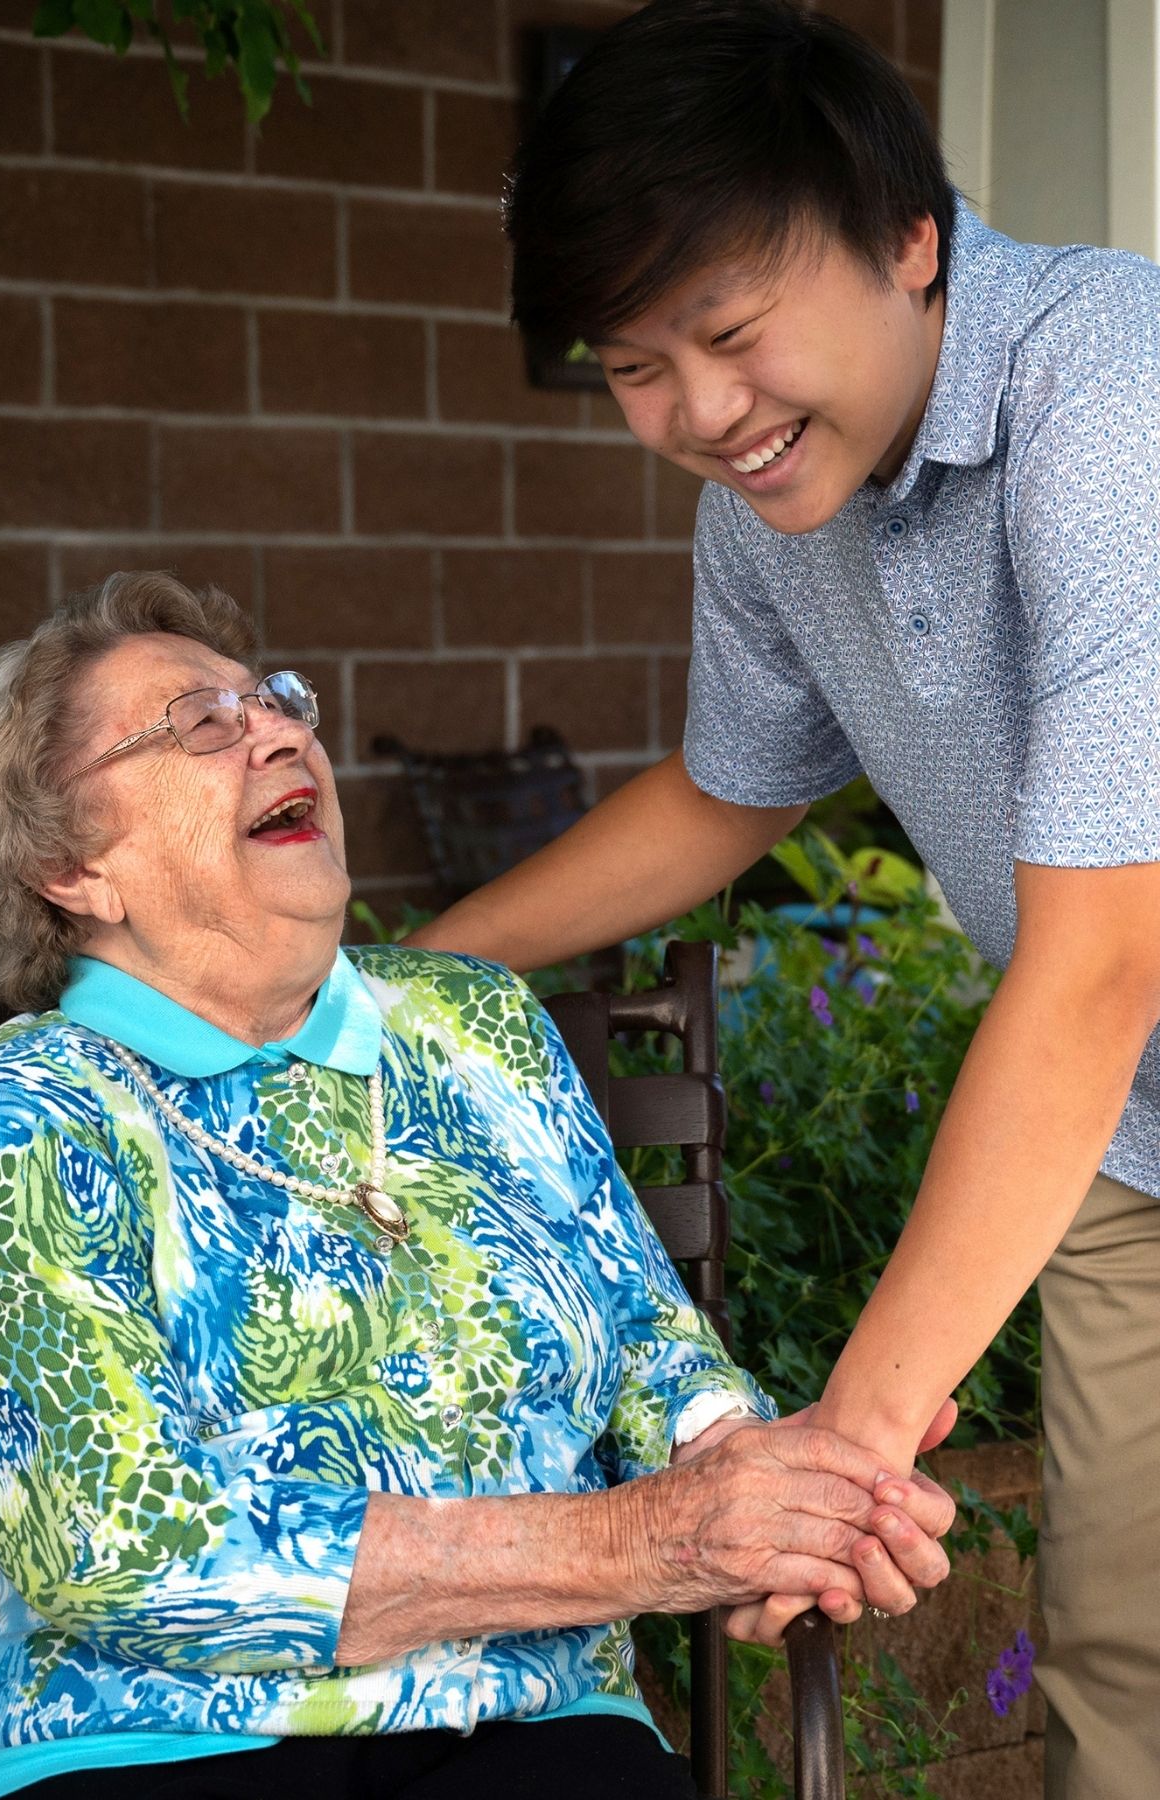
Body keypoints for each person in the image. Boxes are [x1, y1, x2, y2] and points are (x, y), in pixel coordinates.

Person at [405, 3, 1160, 1795]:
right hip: (1130, 1143)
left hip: (1101, 1036)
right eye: (635, 364)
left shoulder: (1109, 401)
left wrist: (856, 1438)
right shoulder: (772, 500)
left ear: (910, 240)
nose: (697, 412)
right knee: (1128, 1682)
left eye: (729, 334)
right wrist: (412, 968)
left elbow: (1103, 961)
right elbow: (728, 794)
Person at [0, 572, 953, 1800]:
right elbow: (115, 1542)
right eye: (198, 723)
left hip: (545, 1728)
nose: (277, 730)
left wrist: (776, 1486)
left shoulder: (472, 1021)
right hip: (170, 1743)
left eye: (275, 702)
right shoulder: (29, 1114)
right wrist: (644, 1542)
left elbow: (648, 1343)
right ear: (71, 867)